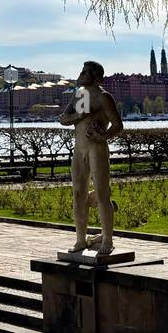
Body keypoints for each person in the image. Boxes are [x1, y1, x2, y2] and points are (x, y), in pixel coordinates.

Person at [58, 60, 123, 255]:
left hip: (97, 149)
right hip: (79, 150)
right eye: (82, 70)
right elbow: (63, 119)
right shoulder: (80, 95)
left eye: (85, 71)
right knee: (78, 194)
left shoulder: (104, 97)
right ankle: (80, 240)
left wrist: (103, 136)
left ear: (95, 76)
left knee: (102, 194)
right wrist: (78, 115)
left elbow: (118, 125)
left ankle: (107, 240)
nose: (81, 73)